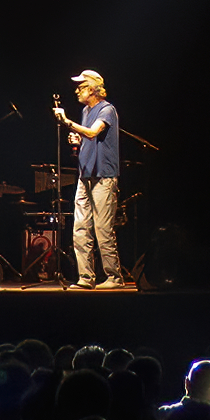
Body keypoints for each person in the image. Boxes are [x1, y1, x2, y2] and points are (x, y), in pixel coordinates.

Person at [53, 69, 125, 289]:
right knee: (80, 228)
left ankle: (114, 277)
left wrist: (67, 122)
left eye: (81, 86)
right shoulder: (86, 111)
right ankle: (86, 277)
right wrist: (78, 138)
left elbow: (93, 133)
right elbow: (89, 137)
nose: (77, 90)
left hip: (103, 176)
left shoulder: (107, 109)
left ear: (93, 89)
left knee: (102, 228)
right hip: (85, 175)